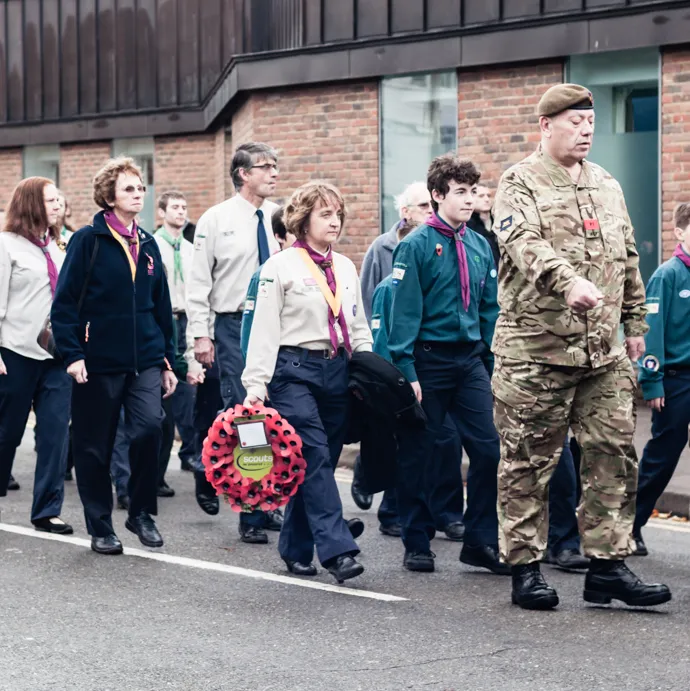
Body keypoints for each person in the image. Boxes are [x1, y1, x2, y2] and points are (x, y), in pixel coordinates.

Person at [492, 82, 670, 610]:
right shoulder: (518, 183)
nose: (585, 130)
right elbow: (524, 244)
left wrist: (635, 320)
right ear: (546, 126)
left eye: (590, 122)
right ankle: (525, 568)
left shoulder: (606, 184)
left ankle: (608, 568)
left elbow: (629, 256)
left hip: (603, 356)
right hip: (535, 354)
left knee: (614, 454)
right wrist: (567, 281)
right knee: (527, 463)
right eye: (574, 121)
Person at [241, 181, 371, 583]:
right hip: (291, 371)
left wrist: (369, 369)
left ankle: (296, 549)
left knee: (318, 462)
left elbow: (358, 324)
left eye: (338, 214)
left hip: (336, 371)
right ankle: (338, 551)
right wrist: (255, 385)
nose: (335, 222)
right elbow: (262, 329)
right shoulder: (279, 267)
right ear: (303, 220)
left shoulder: (346, 266)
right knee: (313, 454)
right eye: (325, 215)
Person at [387, 155, 507, 575]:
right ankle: (416, 539)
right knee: (421, 453)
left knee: (489, 451)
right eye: (460, 192)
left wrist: (494, 361)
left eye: (473, 191)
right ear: (437, 195)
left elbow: (490, 311)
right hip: (428, 361)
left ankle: (480, 542)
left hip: (470, 360)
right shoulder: (415, 245)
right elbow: (403, 314)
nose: (469, 200)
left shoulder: (478, 245)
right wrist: (408, 370)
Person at [51, 156, 177, 556]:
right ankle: (101, 525)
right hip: (97, 360)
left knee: (149, 430)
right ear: (109, 196)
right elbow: (65, 303)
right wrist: (73, 354)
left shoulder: (150, 243)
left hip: (144, 361)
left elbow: (161, 309)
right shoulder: (88, 240)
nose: (137, 194)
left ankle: (140, 512)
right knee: (93, 446)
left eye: (140, 188)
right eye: (128, 188)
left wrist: (168, 361)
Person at [187, 141, 283, 544]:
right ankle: (251, 512)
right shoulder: (216, 219)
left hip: (277, 325)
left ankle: (268, 500)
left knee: (275, 415)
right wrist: (200, 333)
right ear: (243, 173)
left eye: (276, 166)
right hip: (233, 325)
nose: (274, 173)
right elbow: (198, 281)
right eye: (265, 167)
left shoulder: (280, 217)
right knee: (248, 416)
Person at [368, 268, 465, 542]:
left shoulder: (440, 284)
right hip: (404, 381)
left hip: (433, 378)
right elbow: (382, 338)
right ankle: (392, 513)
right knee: (412, 446)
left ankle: (445, 513)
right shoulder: (389, 288)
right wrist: (392, 382)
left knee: (444, 442)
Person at [0, 177, 73, 533]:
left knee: (55, 433)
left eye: (58, 198)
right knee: (7, 432)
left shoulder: (60, 248)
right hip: (14, 352)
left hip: (57, 357)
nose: (57, 204)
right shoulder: (6, 245)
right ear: (30, 203)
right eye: (49, 199)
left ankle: (46, 510)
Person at [633, 202, 690, 557]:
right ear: (680, 232)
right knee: (663, 456)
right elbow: (650, 333)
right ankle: (631, 524)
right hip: (676, 379)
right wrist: (652, 382)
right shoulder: (667, 275)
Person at [154, 190, 196, 485]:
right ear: (161, 212)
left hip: (186, 320)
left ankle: (189, 453)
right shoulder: (152, 245)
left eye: (184, 207)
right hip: (163, 322)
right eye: (175, 207)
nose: (181, 212)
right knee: (162, 400)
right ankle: (156, 472)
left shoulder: (192, 249)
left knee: (189, 393)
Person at [360, 181, 431, 320]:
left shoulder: (441, 245)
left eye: (433, 205)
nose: (430, 210)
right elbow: (366, 298)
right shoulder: (381, 247)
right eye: (424, 205)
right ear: (406, 211)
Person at [466, 184, 499, 266]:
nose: (487, 199)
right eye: (481, 196)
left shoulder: (498, 219)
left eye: (488, 195)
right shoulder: (467, 225)